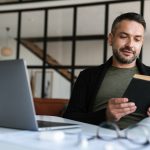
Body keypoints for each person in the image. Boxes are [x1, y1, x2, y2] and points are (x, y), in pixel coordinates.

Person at [63, 12, 150, 129]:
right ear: (110, 39)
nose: (130, 44)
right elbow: (69, 118)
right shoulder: (88, 76)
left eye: (137, 39)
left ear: (141, 43)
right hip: (100, 141)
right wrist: (105, 115)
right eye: (123, 37)